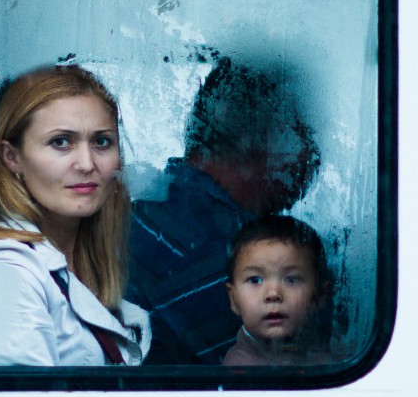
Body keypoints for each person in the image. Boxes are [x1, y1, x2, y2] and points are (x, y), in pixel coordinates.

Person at [0, 65, 150, 366]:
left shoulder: (76, 252)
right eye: (61, 142)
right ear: (12, 157)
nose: (86, 163)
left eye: (102, 141)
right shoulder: (6, 271)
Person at [128, 59, 322, 364]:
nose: (313, 156)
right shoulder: (205, 248)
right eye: (301, 136)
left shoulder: (167, 207)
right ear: (259, 144)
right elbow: (279, 375)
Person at [222, 215, 333, 366]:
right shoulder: (240, 369)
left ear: (320, 295)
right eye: (255, 280)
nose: (273, 294)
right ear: (234, 300)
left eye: (291, 279)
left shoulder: (342, 356)